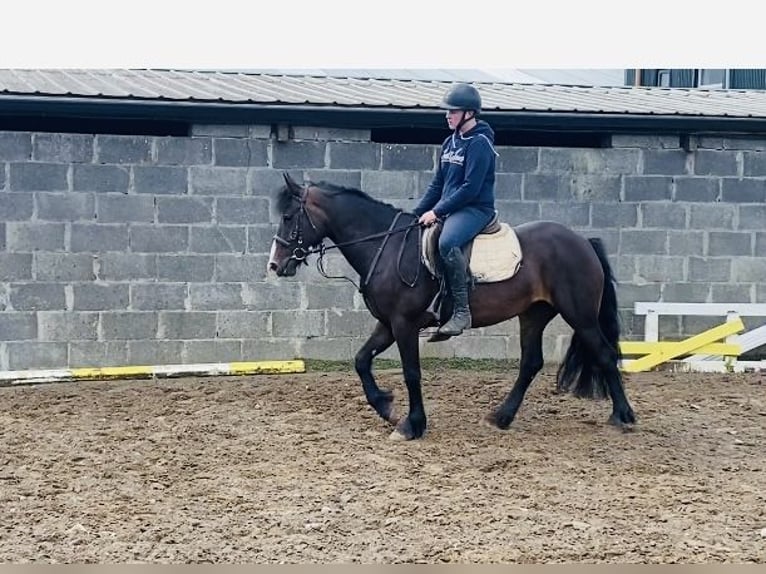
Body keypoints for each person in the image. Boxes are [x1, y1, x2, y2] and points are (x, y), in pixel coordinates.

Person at [414, 83, 498, 337]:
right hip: (453, 208)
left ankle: (462, 312)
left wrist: (437, 212)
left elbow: (470, 189)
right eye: (447, 111)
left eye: (453, 111)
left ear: (469, 113)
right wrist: (417, 212)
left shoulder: (480, 143)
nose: (447, 115)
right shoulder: (449, 142)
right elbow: (438, 184)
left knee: (448, 241)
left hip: (476, 209)